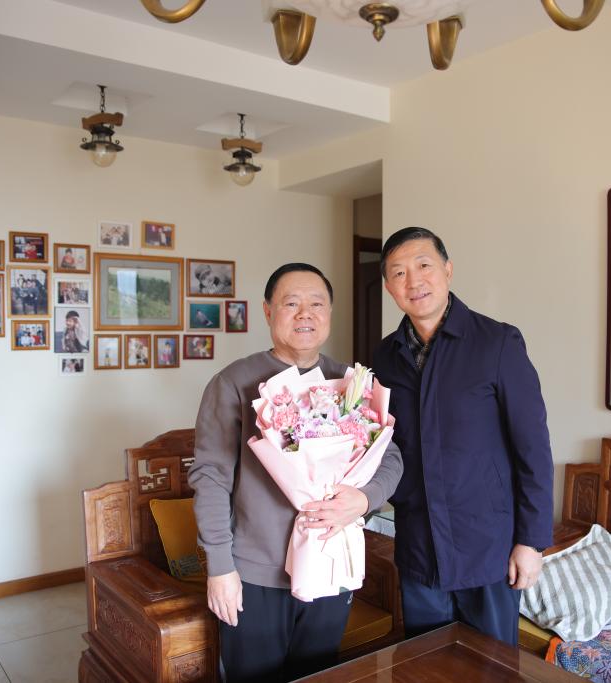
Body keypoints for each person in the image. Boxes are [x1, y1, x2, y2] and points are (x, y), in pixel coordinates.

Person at [188, 263, 403, 683]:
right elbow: (210, 478)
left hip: (330, 564)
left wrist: (364, 499)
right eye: (291, 303)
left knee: (320, 675)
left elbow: (391, 457)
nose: (305, 313)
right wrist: (220, 568)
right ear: (268, 311)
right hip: (256, 574)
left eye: (316, 304)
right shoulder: (234, 382)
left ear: (329, 313)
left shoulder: (351, 383)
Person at [373, 227, 554, 647]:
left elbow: (533, 449)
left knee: (492, 667)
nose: (413, 281)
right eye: (399, 273)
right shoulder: (384, 357)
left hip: (488, 548)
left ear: (448, 270)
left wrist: (531, 542)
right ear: (389, 288)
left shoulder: (497, 343)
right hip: (419, 546)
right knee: (426, 664)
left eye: (424, 265)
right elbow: (382, 447)